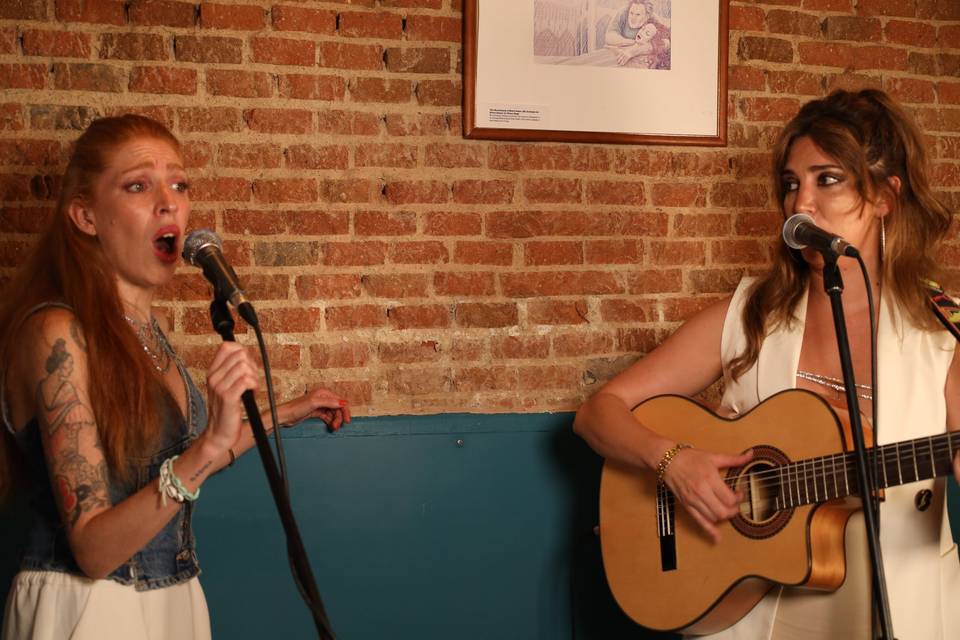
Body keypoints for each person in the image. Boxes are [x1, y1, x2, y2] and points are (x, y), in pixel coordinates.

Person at [574, 89, 960, 639]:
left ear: (885, 196)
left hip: (902, 603)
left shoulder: (942, 330)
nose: (800, 204)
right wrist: (673, 461)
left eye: (827, 179)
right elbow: (597, 412)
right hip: (752, 611)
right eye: (791, 183)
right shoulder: (748, 314)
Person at [0, 114, 351, 639]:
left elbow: (188, 459)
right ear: (85, 215)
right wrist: (208, 446)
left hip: (173, 597)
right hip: (88, 608)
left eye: (179, 184)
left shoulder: (149, 328)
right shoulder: (58, 333)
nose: (169, 202)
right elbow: (94, 551)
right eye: (138, 185)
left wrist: (287, 411)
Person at [604, 0, 670, 67]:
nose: (633, 18)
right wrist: (632, 43)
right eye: (631, 13)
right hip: (618, 55)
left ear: (647, 16)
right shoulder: (623, 12)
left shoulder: (654, 18)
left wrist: (634, 51)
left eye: (638, 14)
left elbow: (667, 42)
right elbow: (609, 36)